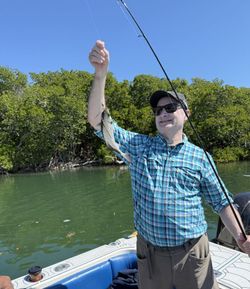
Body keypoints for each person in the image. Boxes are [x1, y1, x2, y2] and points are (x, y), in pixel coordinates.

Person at [88, 40, 250, 289]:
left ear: (186, 113)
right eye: (157, 110)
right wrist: (100, 75)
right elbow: (98, 122)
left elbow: (222, 202)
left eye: (170, 107)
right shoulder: (139, 146)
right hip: (149, 254)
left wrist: (241, 238)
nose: (162, 113)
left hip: (192, 254)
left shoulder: (201, 157)